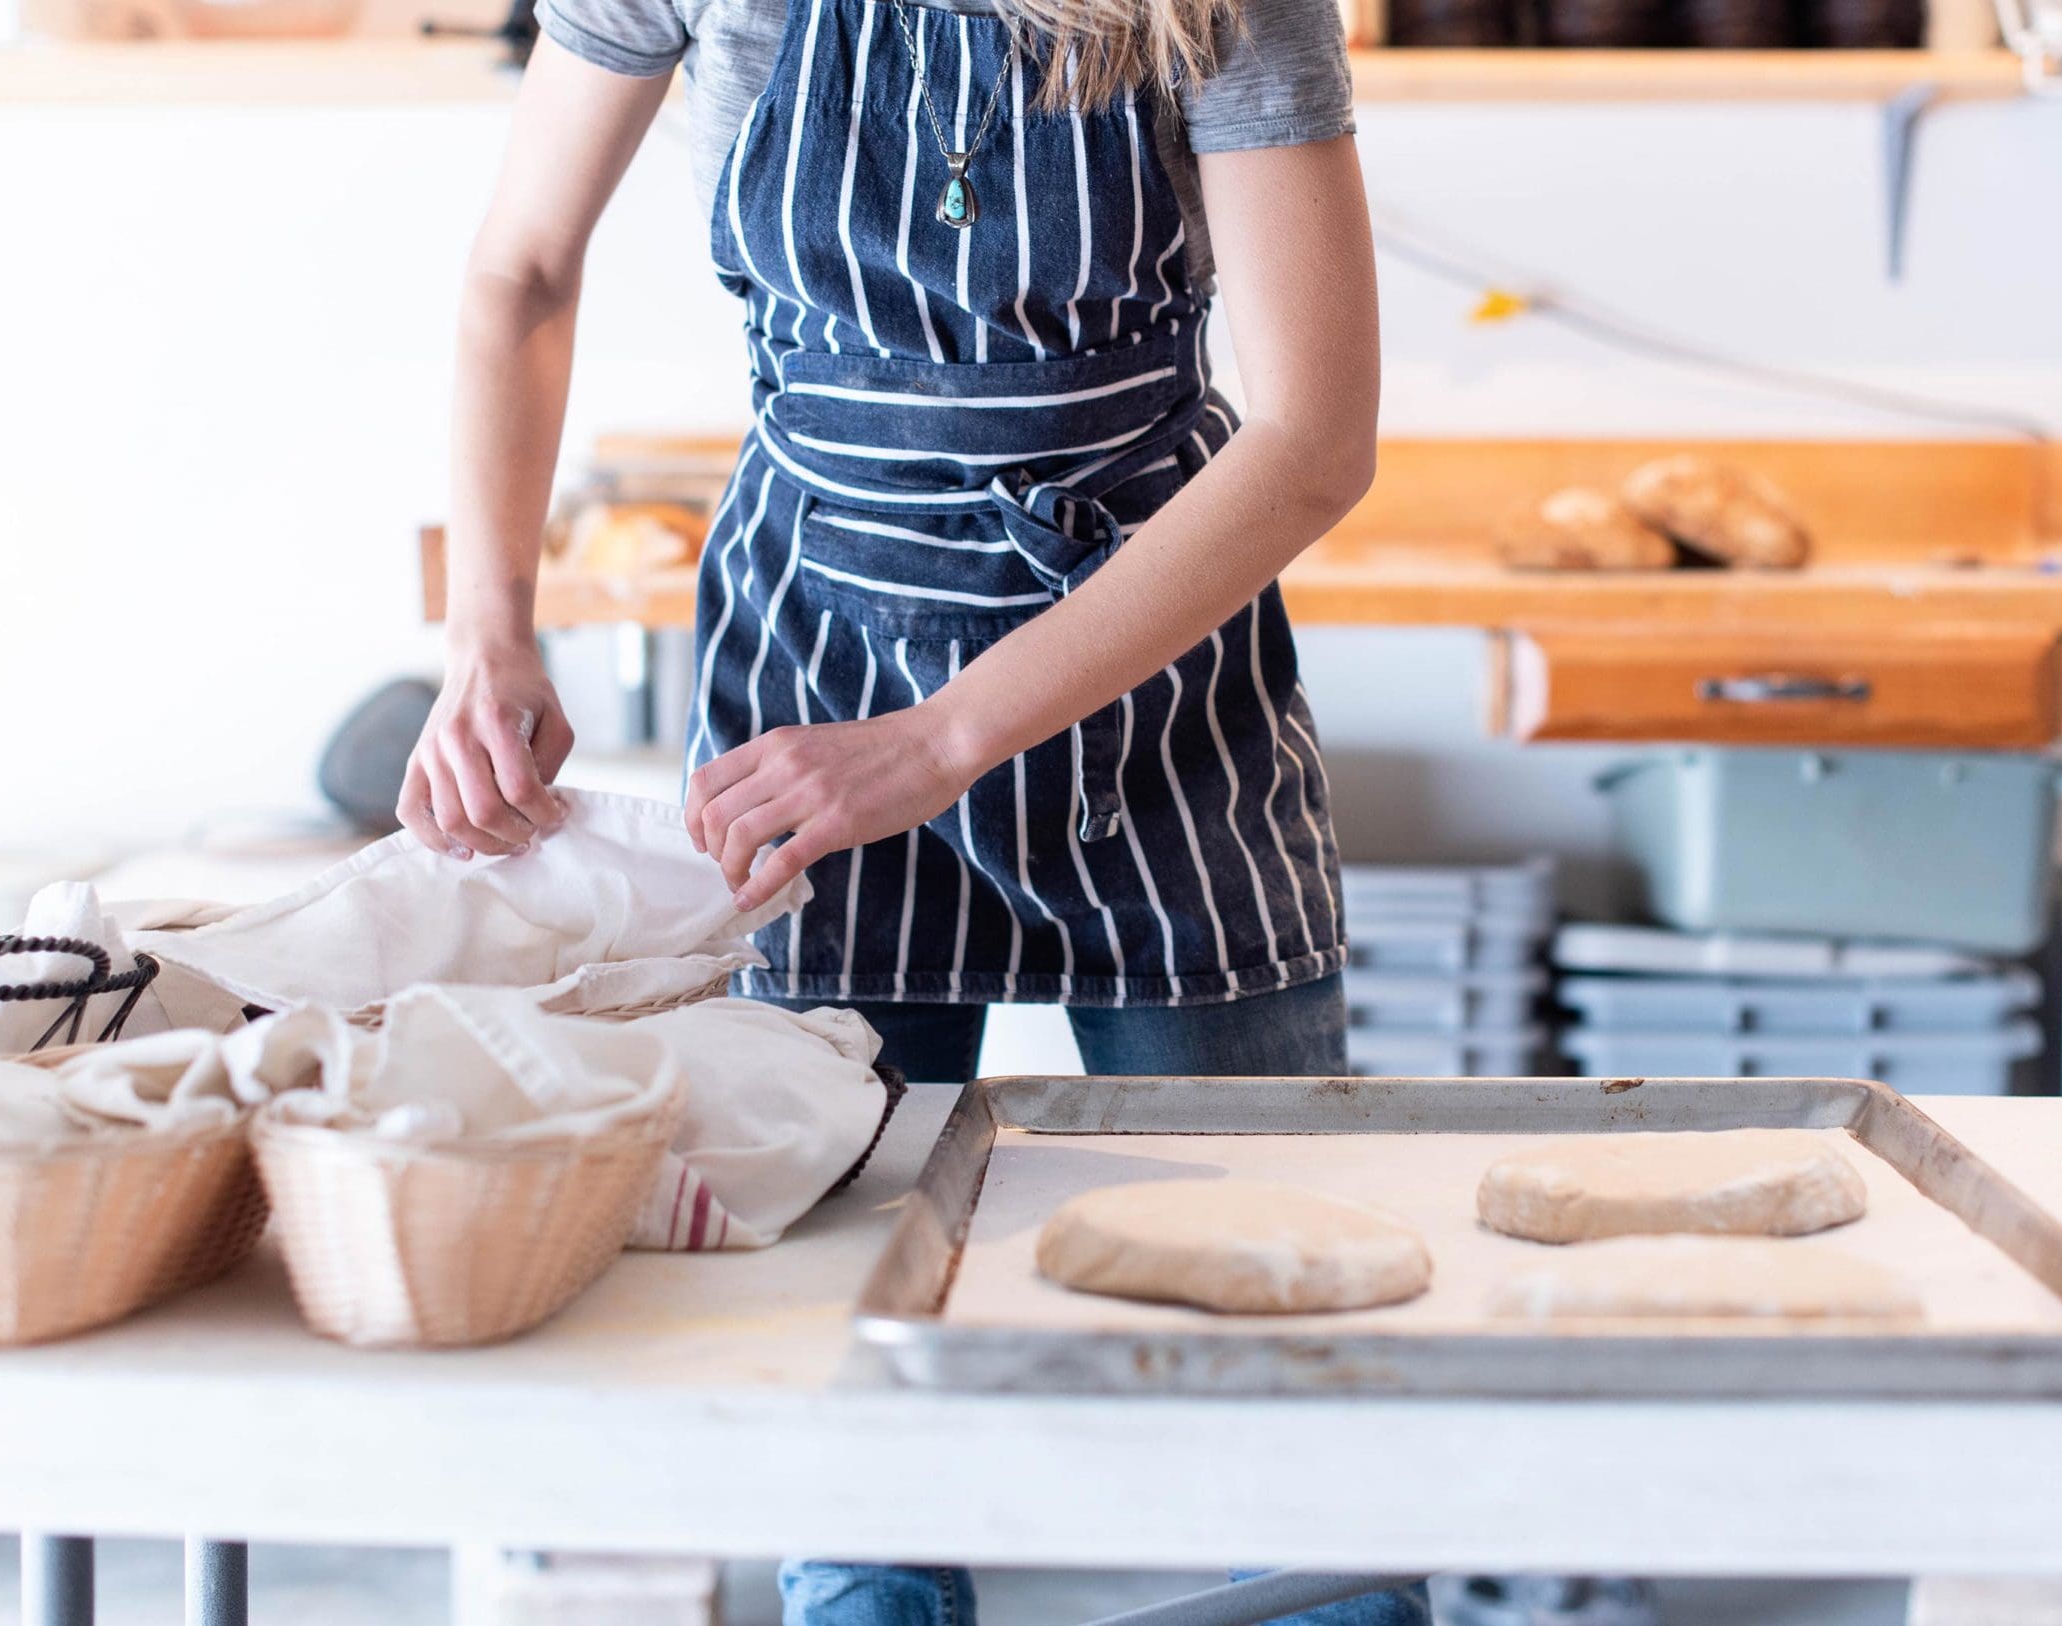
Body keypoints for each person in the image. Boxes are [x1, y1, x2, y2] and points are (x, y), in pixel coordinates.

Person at [403, 0, 1396, 1619]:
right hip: (816, 654)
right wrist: (488, 628)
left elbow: (1310, 441)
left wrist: (940, 741)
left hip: (1153, 697)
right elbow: (516, 271)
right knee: (840, 1358)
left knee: (1285, 1343)